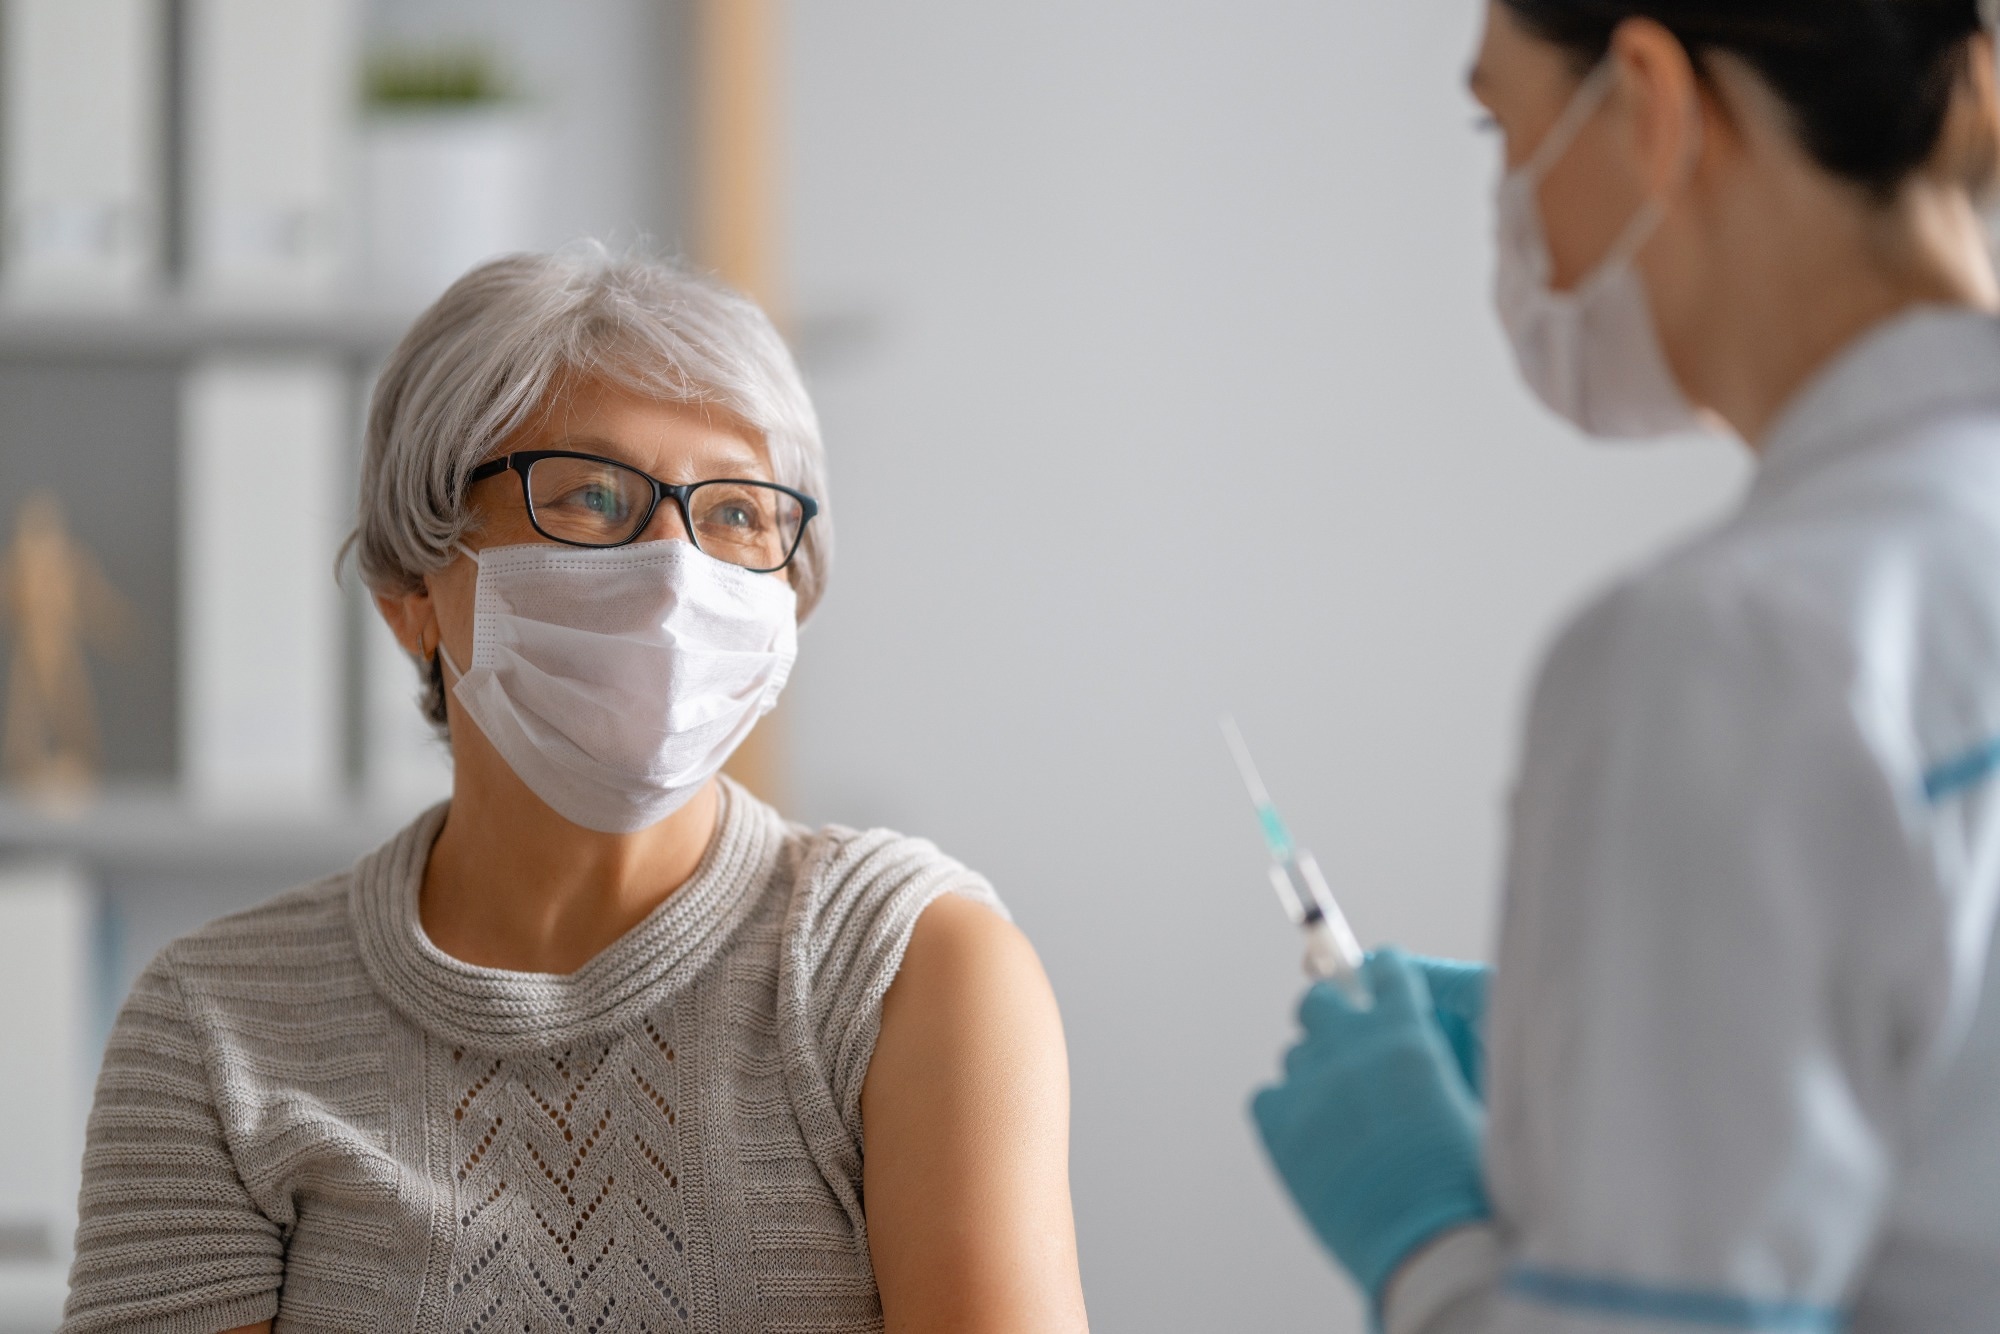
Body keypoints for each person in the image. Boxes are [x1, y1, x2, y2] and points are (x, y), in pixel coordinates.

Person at [61, 249, 1089, 1334]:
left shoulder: (905, 967)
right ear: (412, 590)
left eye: (736, 512)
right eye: (591, 496)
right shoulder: (218, 1023)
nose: (673, 572)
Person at [1252, 2, 2000, 1331]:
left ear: (1651, 97)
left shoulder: (1733, 650)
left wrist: (1427, 1232)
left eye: (1506, 122)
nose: (1507, 202)